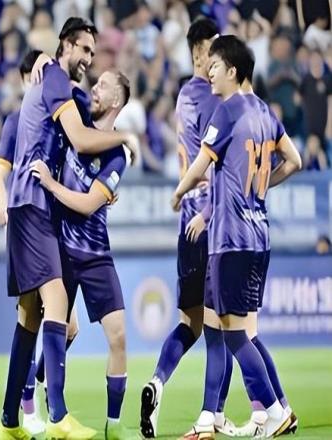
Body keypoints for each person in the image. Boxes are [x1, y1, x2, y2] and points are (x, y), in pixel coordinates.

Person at [0, 17, 139, 440]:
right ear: (67, 46)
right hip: (33, 203)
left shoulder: (62, 85)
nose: (90, 60)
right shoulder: (56, 78)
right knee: (56, 304)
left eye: (93, 53)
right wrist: (127, 137)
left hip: (32, 206)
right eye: (85, 50)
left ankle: (8, 422)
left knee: (30, 315)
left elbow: (83, 133)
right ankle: (57, 416)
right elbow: (79, 139)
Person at [171, 35, 301, 439]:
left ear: (232, 70)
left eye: (215, 66)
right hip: (259, 236)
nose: (208, 72)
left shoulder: (227, 111)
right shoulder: (266, 112)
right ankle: (224, 416)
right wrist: (259, 189)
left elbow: (199, 165)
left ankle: (275, 411)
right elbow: (294, 161)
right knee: (235, 330)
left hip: (231, 239)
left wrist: (178, 193)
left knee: (233, 335)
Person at [140, 18, 236, 439]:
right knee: (222, 327)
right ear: (198, 51)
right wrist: (211, 211)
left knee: (190, 322)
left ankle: (157, 382)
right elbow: (220, 162)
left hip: (186, 226)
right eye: (213, 49)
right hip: (211, 222)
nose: (218, 59)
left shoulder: (183, 95)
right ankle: (211, 415)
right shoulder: (216, 98)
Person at [31, 69, 136, 440]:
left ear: (116, 101)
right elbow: (61, 81)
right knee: (62, 328)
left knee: (118, 336)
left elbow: (89, 204)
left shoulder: (116, 156)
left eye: (104, 85)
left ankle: (114, 424)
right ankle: (40, 394)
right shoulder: (75, 118)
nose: (96, 87)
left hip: (93, 253)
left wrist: (50, 183)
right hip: (58, 248)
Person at [0, 48, 79, 438]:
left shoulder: (57, 116)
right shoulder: (16, 122)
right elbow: (1, 173)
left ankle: (12, 416)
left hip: (50, 218)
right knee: (54, 308)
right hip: (29, 216)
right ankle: (49, 409)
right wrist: (3, 209)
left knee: (47, 320)